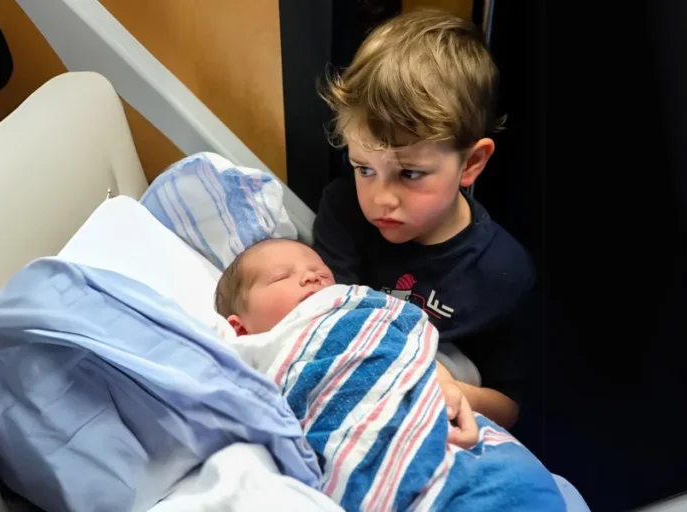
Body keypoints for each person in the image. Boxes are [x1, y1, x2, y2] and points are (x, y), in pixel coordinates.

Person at [312, 10, 534, 428]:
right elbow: (329, 322)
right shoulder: (342, 209)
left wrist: (446, 388)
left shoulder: (503, 271)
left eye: (409, 174)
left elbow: (509, 407)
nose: (381, 199)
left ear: (471, 164)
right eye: (364, 168)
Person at [214, 238, 480, 447]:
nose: (312, 277)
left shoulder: (360, 308)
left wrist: (444, 383)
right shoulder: (247, 359)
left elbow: (413, 344)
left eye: (321, 272)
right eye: (282, 276)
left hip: (433, 410)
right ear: (241, 328)